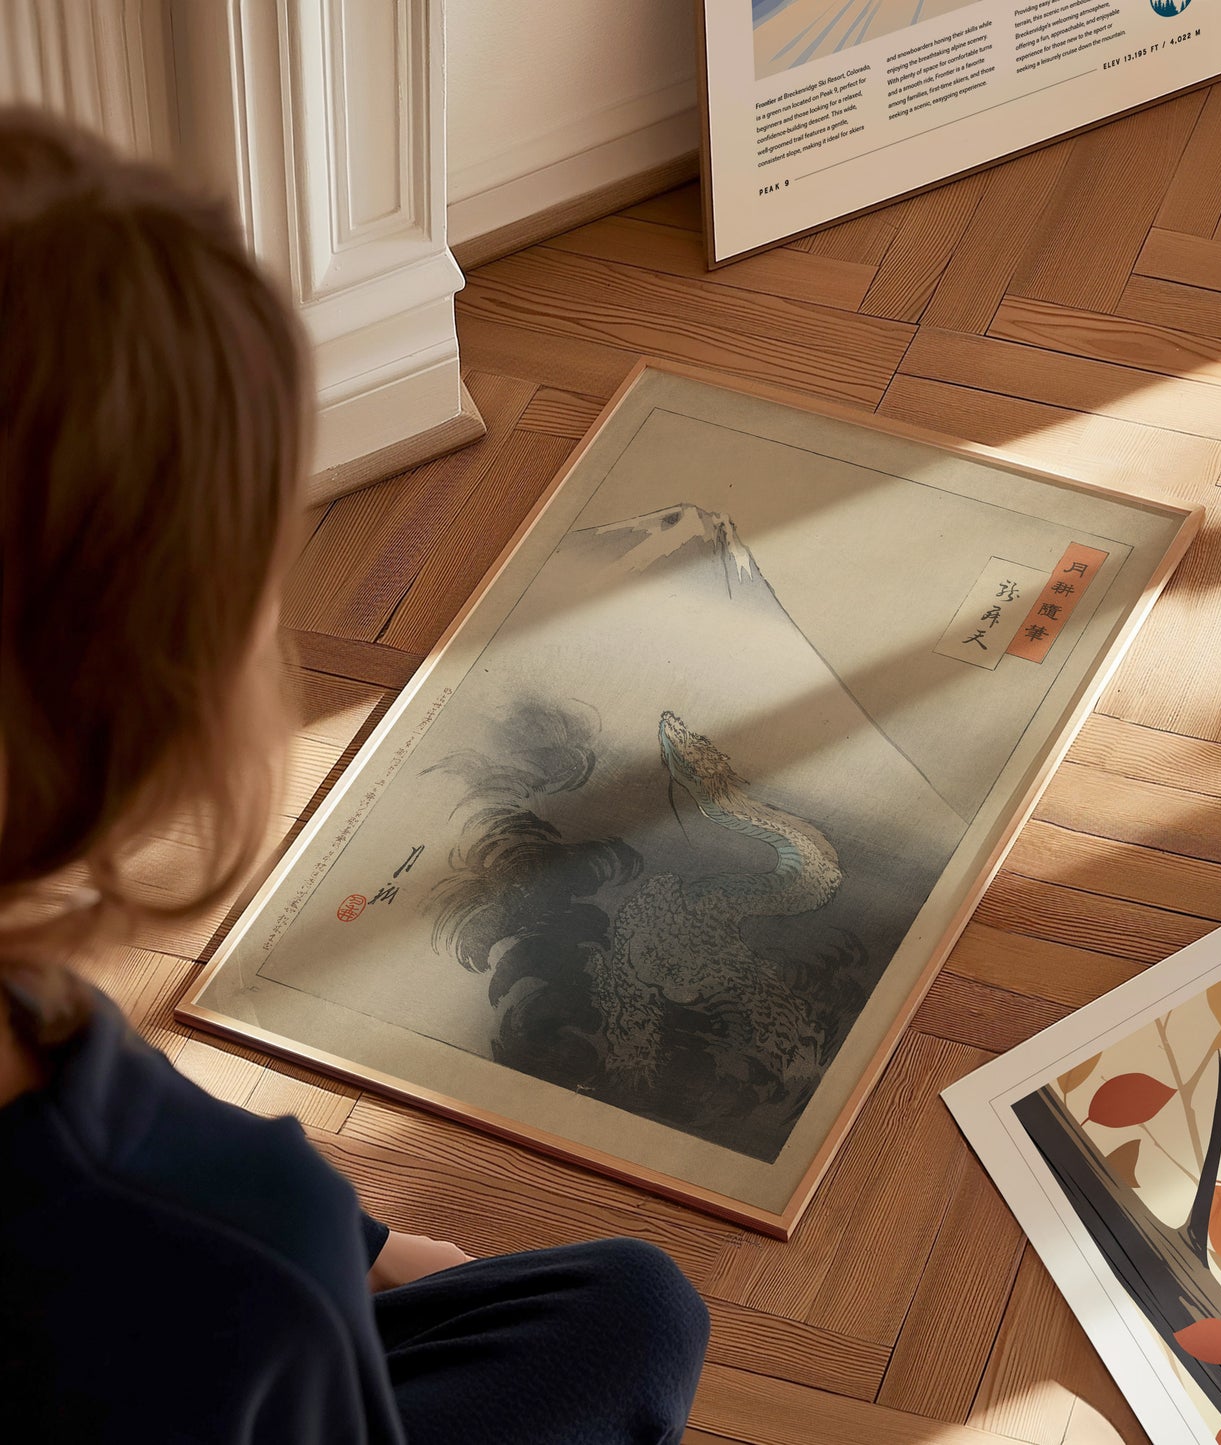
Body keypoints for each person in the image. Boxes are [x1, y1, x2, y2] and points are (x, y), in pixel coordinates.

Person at [0, 106, 710, 1443]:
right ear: (157, 693)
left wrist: (360, 1238)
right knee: (633, 1315)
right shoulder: (231, 1257)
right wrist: (321, 1252)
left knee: (615, 1310)